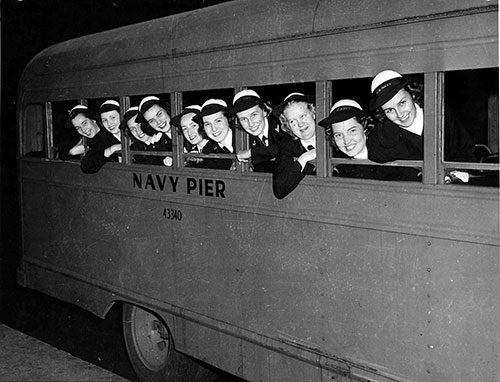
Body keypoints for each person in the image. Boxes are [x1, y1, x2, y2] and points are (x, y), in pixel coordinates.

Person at [368, 69, 475, 182]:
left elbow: (466, 149)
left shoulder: (439, 115)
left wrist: (456, 172)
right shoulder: (382, 135)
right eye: (389, 110)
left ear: (412, 94)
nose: (399, 115)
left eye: (402, 103)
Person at [319, 99, 420, 180]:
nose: (346, 141)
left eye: (352, 131)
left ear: (364, 127)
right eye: (338, 135)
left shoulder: (390, 152)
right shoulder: (338, 167)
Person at [229, 89, 287, 172]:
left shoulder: (281, 125)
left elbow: (285, 148)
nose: (251, 124)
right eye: (243, 119)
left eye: (254, 115)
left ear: (264, 111)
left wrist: (250, 153)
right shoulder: (243, 138)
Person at [272, 93, 317, 199]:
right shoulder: (287, 149)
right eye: (292, 121)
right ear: (288, 126)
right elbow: (279, 190)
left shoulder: (333, 141)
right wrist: (303, 158)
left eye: (303, 116)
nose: (300, 124)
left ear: (313, 113)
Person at [67, 105, 121, 173]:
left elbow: (86, 166)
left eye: (85, 123)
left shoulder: (108, 134)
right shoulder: (86, 140)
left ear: (93, 119)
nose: (83, 130)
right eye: (78, 128)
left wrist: (110, 150)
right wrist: (71, 152)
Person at [195, 98, 234, 170]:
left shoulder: (247, 138)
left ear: (228, 119)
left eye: (218, 121)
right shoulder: (207, 152)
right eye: (207, 124)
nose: (214, 129)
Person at [136, 96, 173, 166]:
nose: (158, 122)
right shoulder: (158, 144)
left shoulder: (188, 130)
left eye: (159, 114)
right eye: (151, 120)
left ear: (167, 109)